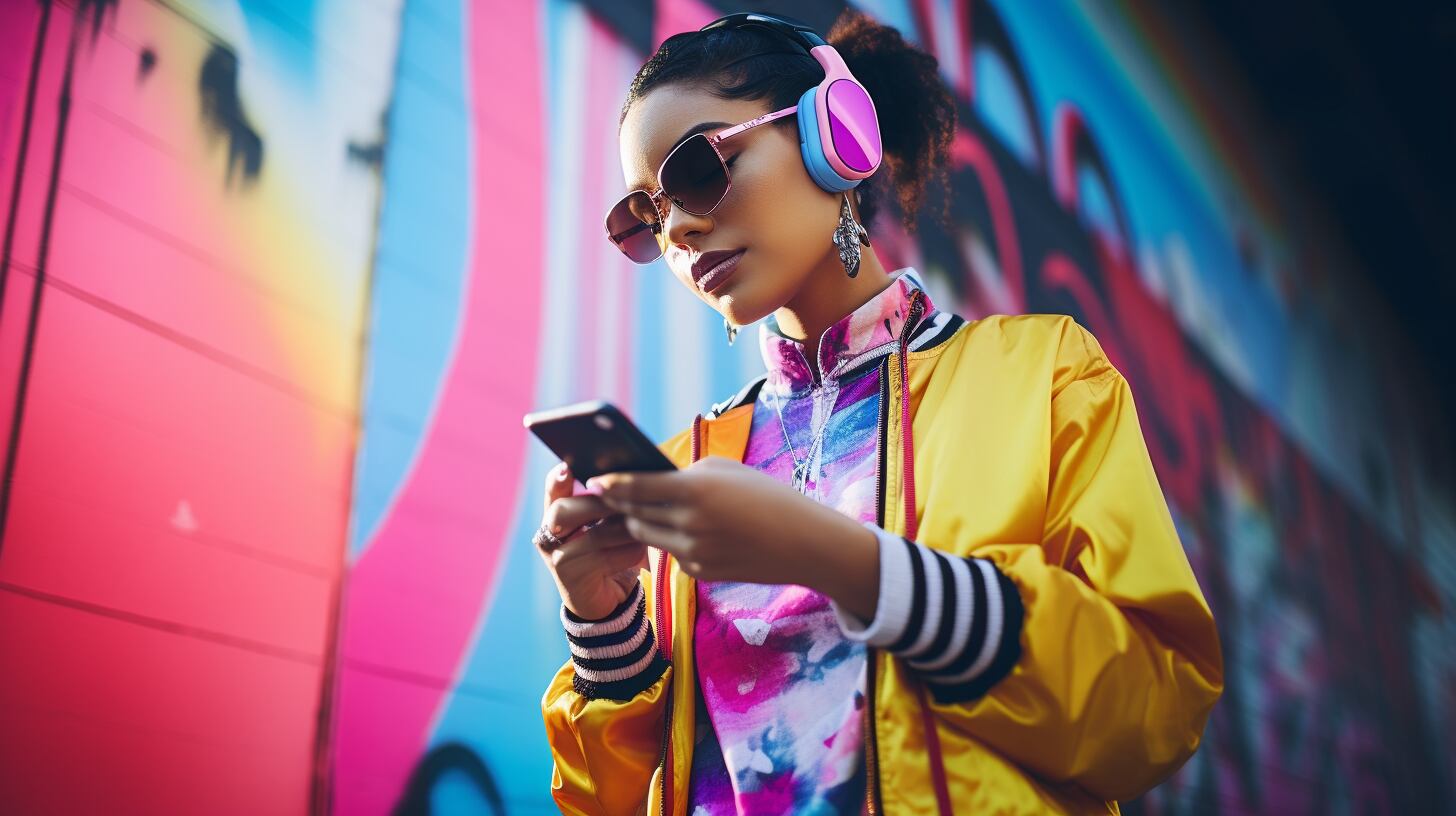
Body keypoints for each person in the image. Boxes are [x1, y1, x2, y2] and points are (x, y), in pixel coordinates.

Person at [535, 10, 1222, 815]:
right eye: (646, 215)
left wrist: (849, 563)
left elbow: (1154, 705)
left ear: (838, 136)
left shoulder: (1043, 376)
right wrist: (602, 624)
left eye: (698, 169)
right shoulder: (682, 468)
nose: (679, 226)